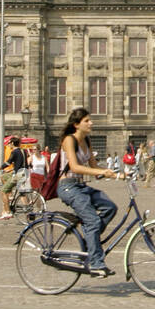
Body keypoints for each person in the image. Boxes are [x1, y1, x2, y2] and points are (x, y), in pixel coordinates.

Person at [57, 108, 119, 277]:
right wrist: (100, 173)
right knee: (92, 220)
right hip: (67, 187)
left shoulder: (87, 140)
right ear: (76, 124)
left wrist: (114, 173)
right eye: (87, 121)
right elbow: (75, 166)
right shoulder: (69, 140)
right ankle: (96, 263)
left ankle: (91, 242)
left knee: (110, 207)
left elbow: (94, 166)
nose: (91, 123)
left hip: (81, 186)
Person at [0, 140, 28, 219]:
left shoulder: (14, 152)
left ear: (12, 143)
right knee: (3, 177)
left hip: (18, 175)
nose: (9, 145)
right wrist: (12, 169)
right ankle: (10, 194)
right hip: (24, 173)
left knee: (2, 191)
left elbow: (7, 163)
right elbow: (20, 164)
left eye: (9, 143)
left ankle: (8, 212)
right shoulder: (23, 151)